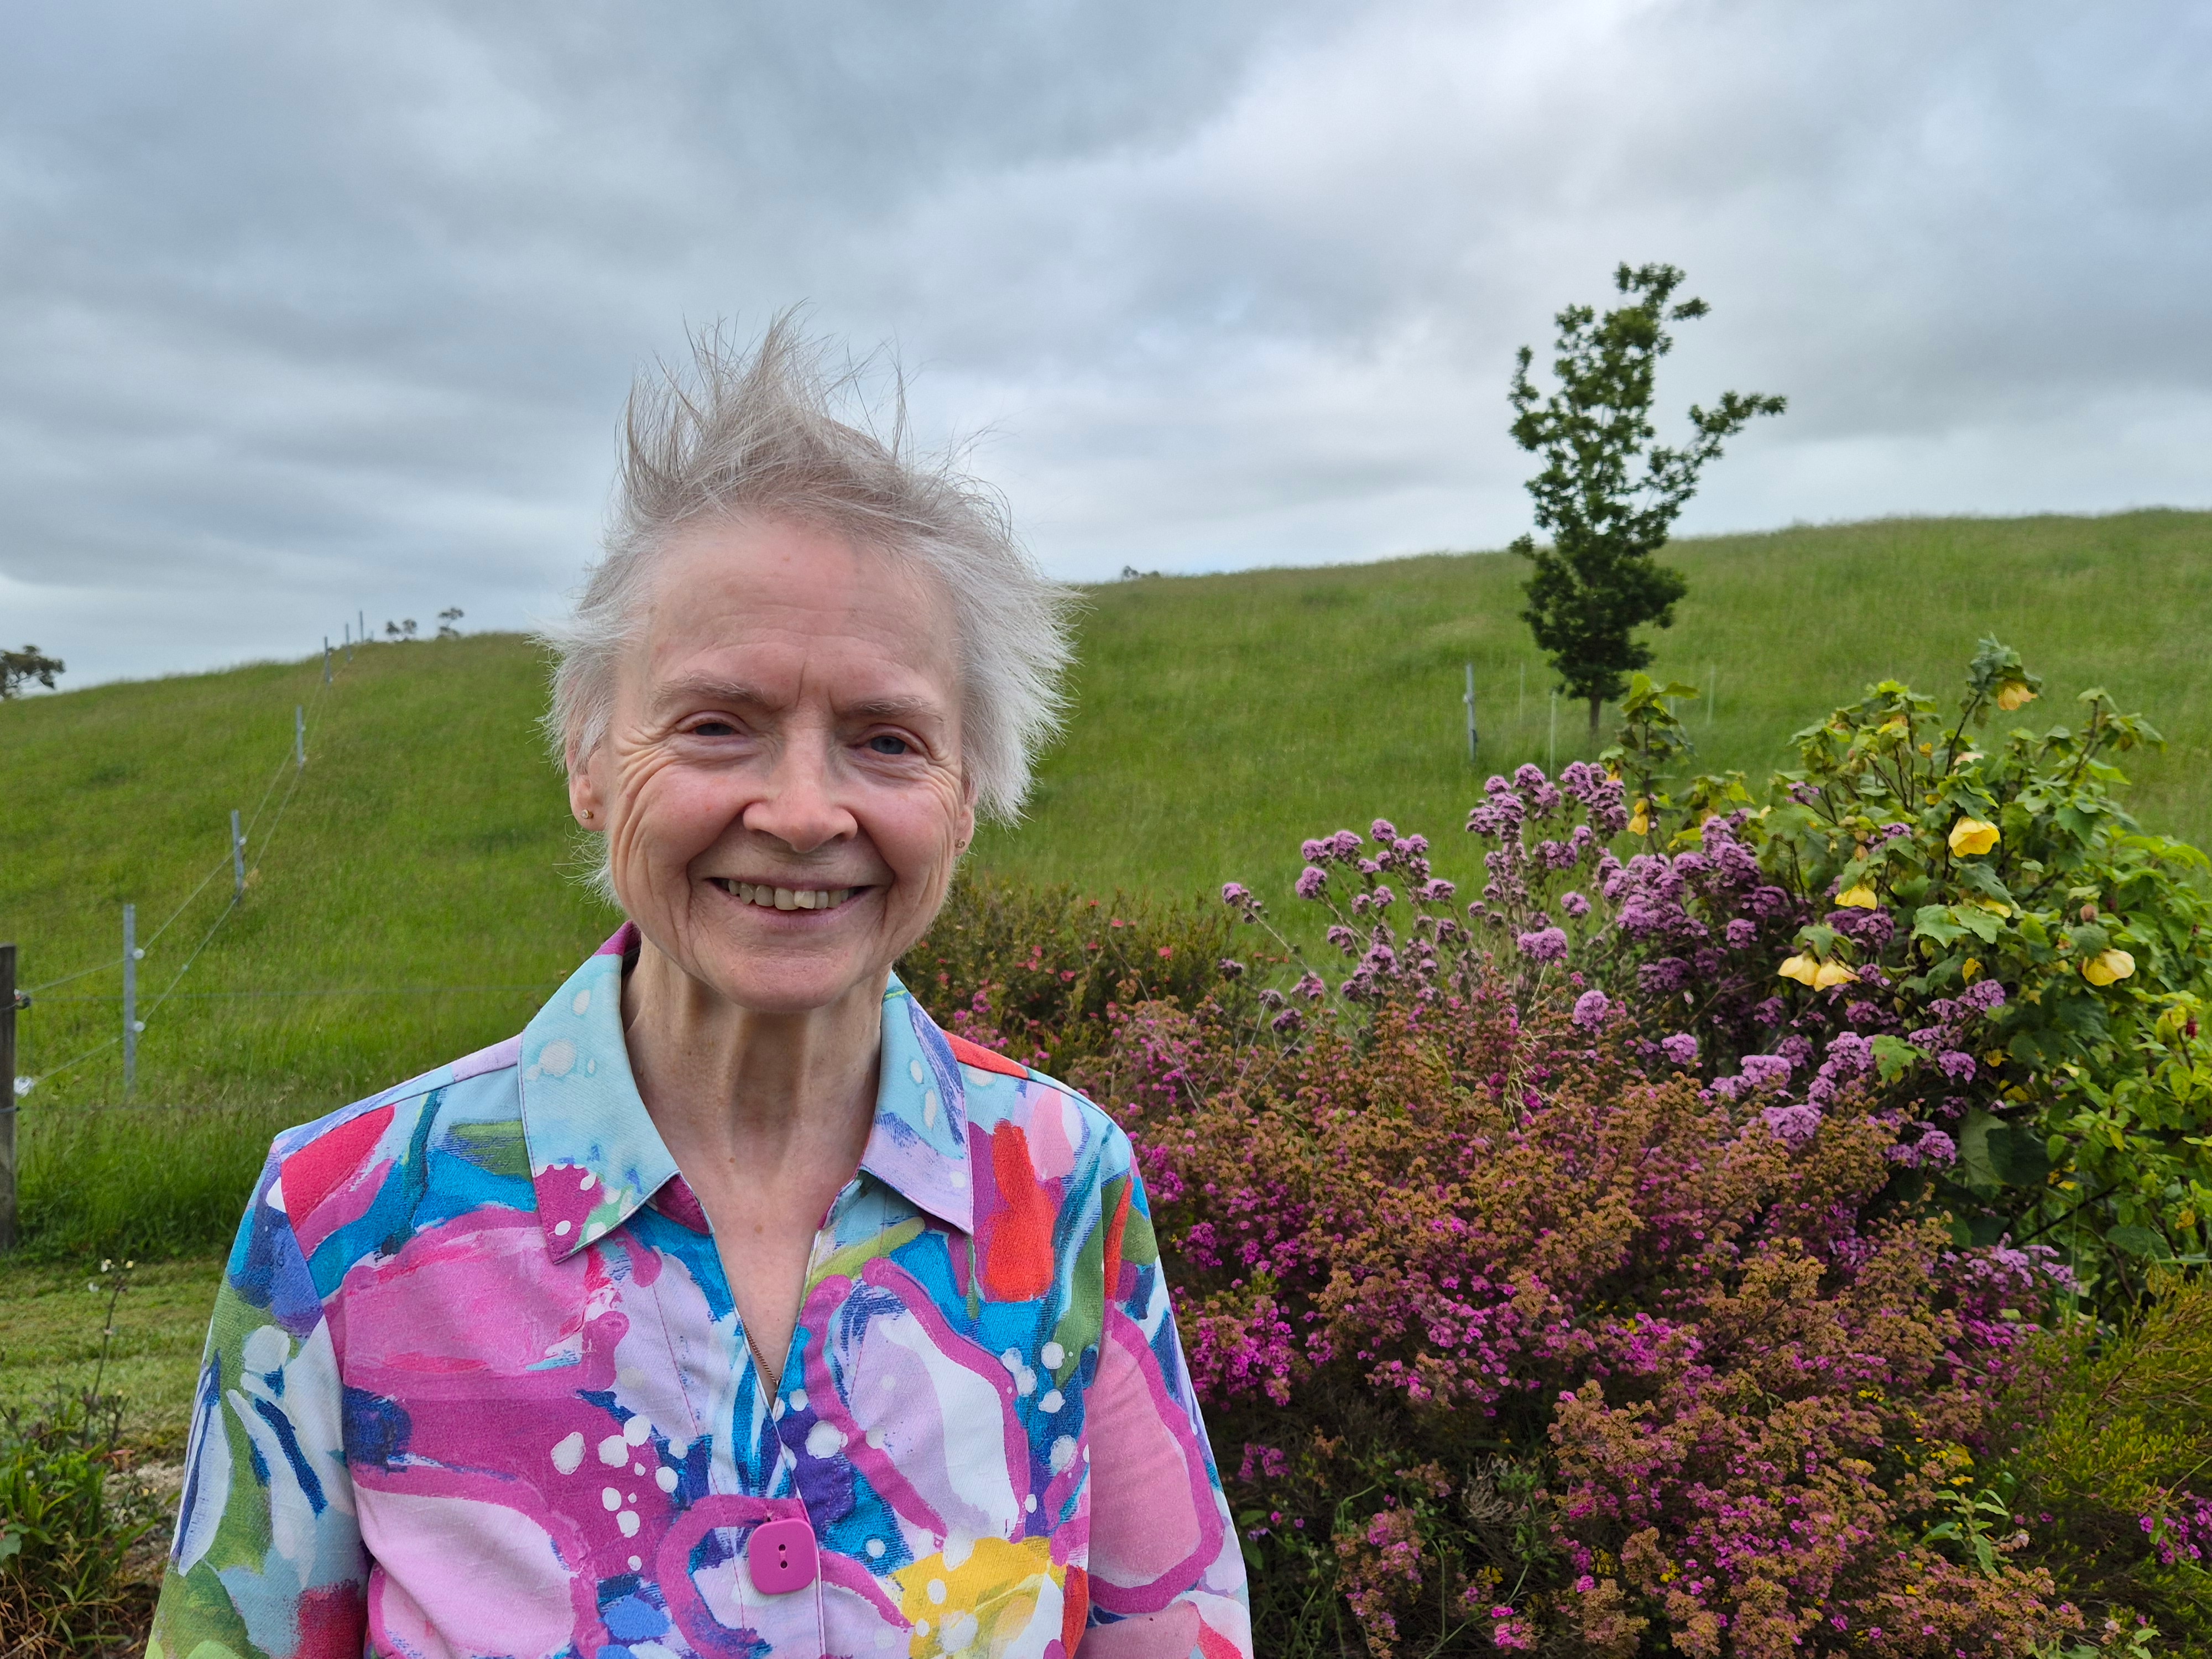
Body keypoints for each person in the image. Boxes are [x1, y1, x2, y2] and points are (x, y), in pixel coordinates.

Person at [148, 322, 1253, 1659]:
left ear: (967, 796)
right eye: (715, 723)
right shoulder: (345, 1222)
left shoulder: (1065, 1183)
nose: (799, 812)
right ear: (588, 763)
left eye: (885, 739)